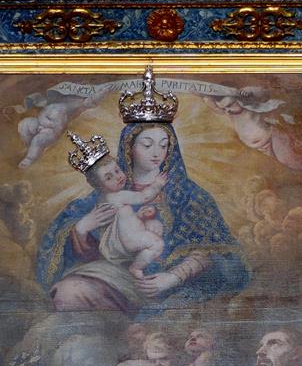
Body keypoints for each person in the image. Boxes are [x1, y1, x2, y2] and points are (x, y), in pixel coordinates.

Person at [37, 68, 250, 314]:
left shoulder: (190, 196)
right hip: (118, 279)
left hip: (172, 283)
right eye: (147, 144)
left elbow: (223, 255)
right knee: (69, 293)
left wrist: (174, 277)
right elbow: (64, 246)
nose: (156, 152)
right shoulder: (108, 193)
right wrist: (80, 230)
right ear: (130, 148)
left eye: (163, 144)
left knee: (174, 316)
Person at [80, 149, 168, 278]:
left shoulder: (105, 198)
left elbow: (121, 220)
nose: (118, 177)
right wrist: (157, 184)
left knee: (154, 228)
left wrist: (138, 216)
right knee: (158, 243)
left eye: (117, 170)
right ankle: (136, 267)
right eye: (109, 178)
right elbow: (144, 197)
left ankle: (146, 256)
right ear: (100, 186)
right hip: (129, 240)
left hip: (123, 239)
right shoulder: (117, 196)